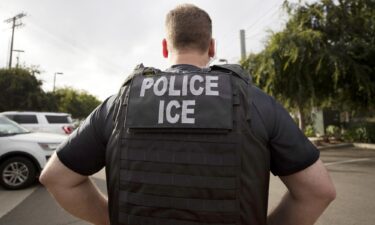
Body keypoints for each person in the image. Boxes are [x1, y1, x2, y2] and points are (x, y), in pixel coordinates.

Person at [40, 4, 336, 225]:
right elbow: (318, 191)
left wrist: (112, 217)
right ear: (212, 47)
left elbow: (56, 178)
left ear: (165, 46)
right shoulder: (255, 101)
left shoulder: (122, 101)